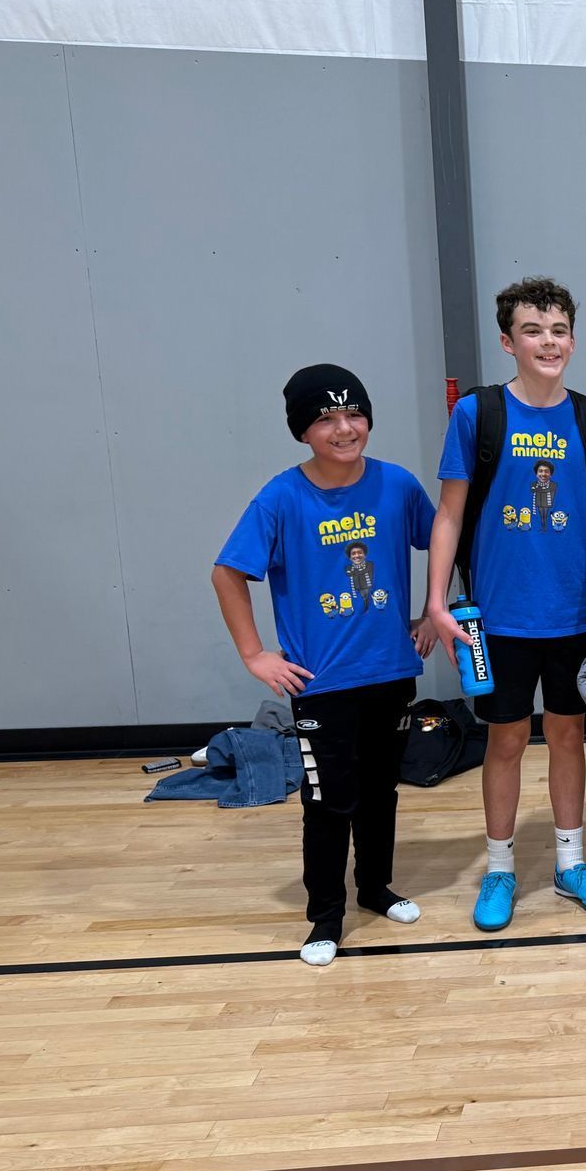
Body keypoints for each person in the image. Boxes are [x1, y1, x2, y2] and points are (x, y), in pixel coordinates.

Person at [425, 277, 586, 932]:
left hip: (572, 614)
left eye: (559, 330)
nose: (548, 342)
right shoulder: (478, 415)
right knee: (507, 740)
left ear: (573, 339)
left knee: (569, 734)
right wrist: (435, 600)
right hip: (498, 615)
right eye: (534, 331)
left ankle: (570, 863)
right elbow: (449, 515)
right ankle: (500, 867)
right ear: (508, 341)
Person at [212, 364, 435, 966]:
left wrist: (432, 613)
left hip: (391, 672)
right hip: (322, 683)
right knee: (329, 801)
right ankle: (325, 916)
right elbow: (227, 572)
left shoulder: (399, 486)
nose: (345, 428)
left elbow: (447, 542)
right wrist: (255, 654)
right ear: (303, 431)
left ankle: (374, 889)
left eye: (354, 414)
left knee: (381, 791)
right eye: (327, 419)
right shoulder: (282, 497)